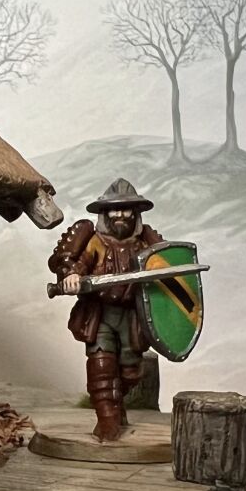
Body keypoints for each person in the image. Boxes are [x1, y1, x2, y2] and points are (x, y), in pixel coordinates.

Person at [48, 178, 163, 442]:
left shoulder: (145, 241)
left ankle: (115, 404)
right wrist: (71, 275)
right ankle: (107, 420)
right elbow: (69, 261)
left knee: (131, 371)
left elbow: (165, 263)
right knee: (101, 366)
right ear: (105, 212)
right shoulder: (93, 239)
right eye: (115, 209)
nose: (121, 215)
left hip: (133, 316)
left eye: (127, 210)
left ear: (135, 213)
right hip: (99, 315)